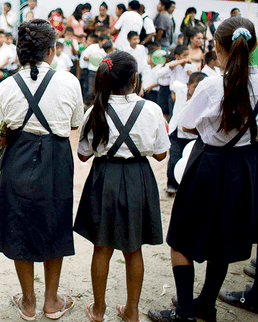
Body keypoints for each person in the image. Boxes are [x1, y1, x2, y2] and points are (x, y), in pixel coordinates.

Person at [148, 17, 258, 322]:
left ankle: (184, 310)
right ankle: (206, 305)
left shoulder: (212, 85)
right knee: (223, 238)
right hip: (244, 167)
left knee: (181, 237)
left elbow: (185, 123)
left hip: (209, 163)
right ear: (254, 47)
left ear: (218, 48)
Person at [0, 19, 84, 321]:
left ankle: (27, 302)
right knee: (55, 222)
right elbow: (73, 125)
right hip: (56, 158)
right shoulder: (69, 82)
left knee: (18, 223)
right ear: (52, 51)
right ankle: (51, 301)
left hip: (18, 154)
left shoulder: (6, 86)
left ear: (19, 52)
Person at [75, 51, 169, 322]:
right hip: (138, 178)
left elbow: (83, 154)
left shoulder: (95, 111)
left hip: (105, 178)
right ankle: (132, 310)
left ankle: (99, 309)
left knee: (101, 247)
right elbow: (161, 154)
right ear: (135, 79)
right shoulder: (151, 110)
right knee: (133, 248)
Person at [166, 72, 207, 196]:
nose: (197, 90)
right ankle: (171, 185)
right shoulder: (181, 89)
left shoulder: (204, 98)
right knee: (174, 158)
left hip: (192, 135)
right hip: (176, 133)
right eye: (195, 87)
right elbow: (173, 84)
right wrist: (173, 93)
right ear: (188, 85)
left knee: (191, 161)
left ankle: (188, 187)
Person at [80, 34, 109, 104]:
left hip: (102, 72)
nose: (106, 44)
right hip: (92, 71)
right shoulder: (92, 47)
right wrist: (94, 59)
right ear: (100, 41)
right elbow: (84, 57)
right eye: (105, 42)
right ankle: (86, 104)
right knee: (90, 90)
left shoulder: (106, 50)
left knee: (100, 90)